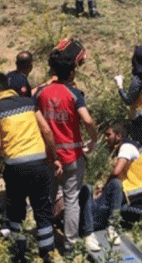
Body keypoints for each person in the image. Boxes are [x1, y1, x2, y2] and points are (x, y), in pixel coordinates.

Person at [0, 72, 58, 263]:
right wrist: (53, 156)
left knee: (16, 211)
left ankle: (19, 254)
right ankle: (47, 254)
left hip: (15, 167)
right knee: (42, 208)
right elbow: (47, 130)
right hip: (39, 163)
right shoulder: (29, 102)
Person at [35, 50, 98, 254]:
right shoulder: (74, 93)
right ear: (71, 73)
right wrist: (94, 138)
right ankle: (70, 246)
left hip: (49, 156)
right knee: (72, 201)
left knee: (47, 199)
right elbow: (87, 120)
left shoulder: (41, 93)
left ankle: (44, 239)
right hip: (72, 156)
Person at [81, 124, 142, 239]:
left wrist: (105, 188)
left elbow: (116, 172)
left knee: (118, 205)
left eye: (108, 135)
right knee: (119, 206)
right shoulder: (128, 147)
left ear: (118, 136)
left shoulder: (126, 147)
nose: (106, 138)